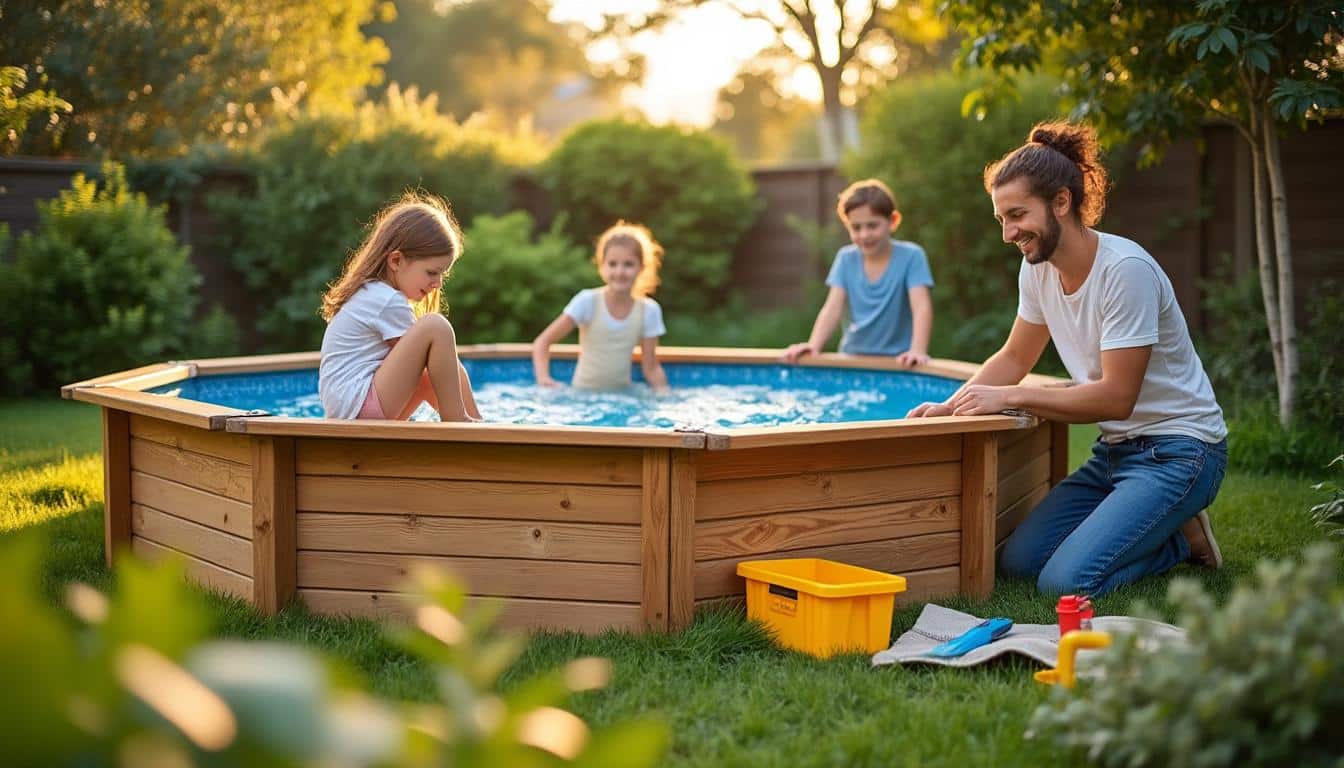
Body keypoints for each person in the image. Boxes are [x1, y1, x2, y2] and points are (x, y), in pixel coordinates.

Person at [907, 121, 1228, 597]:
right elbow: (1016, 354)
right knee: (1019, 563)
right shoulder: (1037, 269)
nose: (1008, 233)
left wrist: (1014, 397)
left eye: (1017, 215)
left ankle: (1179, 543)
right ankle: (1167, 525)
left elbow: (1117, 398)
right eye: (1001, 219)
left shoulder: (1125, 271)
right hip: (1115, 454)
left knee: (1064, 582)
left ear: (1061, 201)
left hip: (1180, 452)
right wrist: (951, 407)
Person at [319, 192, 482, 422]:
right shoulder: (386, 300)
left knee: (437, 375)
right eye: (431, 272)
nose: (438, 283)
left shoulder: (373, 293)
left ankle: (476, 425)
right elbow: (432, 359)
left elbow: (443, 370)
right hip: (358, 408)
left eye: (442, 274)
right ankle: (460, 423)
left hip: (354, 410)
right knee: (435, 326)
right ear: (396, 261)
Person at [782, 178, 933, 367]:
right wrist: (814, 345)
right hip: (853, 358)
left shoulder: (912, 256)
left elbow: (921, 306)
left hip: (898, 362)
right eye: (856, 227)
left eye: (872, 225)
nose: (864, 235)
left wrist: (917, 350)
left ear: (893, 221)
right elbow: (832, 308)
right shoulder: (846, 259)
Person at [532, 221, 670, 392]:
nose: (619, 272)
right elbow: (542, 342)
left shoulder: (649, 311)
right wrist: (544, 379)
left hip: (623, 397)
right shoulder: (587, 301)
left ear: (641, 268)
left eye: (628, 264)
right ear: (602, 267)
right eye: (612, 264)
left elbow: (650, 367)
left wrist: (663, 392)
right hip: (583, 397)